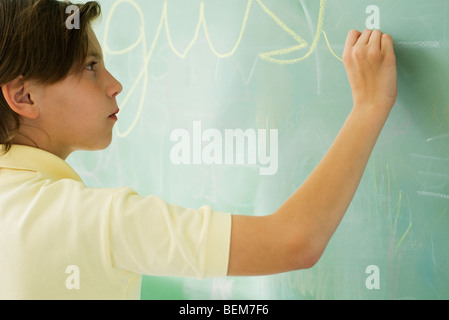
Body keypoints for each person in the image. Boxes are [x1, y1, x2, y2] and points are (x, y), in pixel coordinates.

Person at [0, 0, 397, 299]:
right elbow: (295, 240)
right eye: (90, 66)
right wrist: (369, 107)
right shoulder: (90, 219)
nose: (114, 83)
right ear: (25, 96)